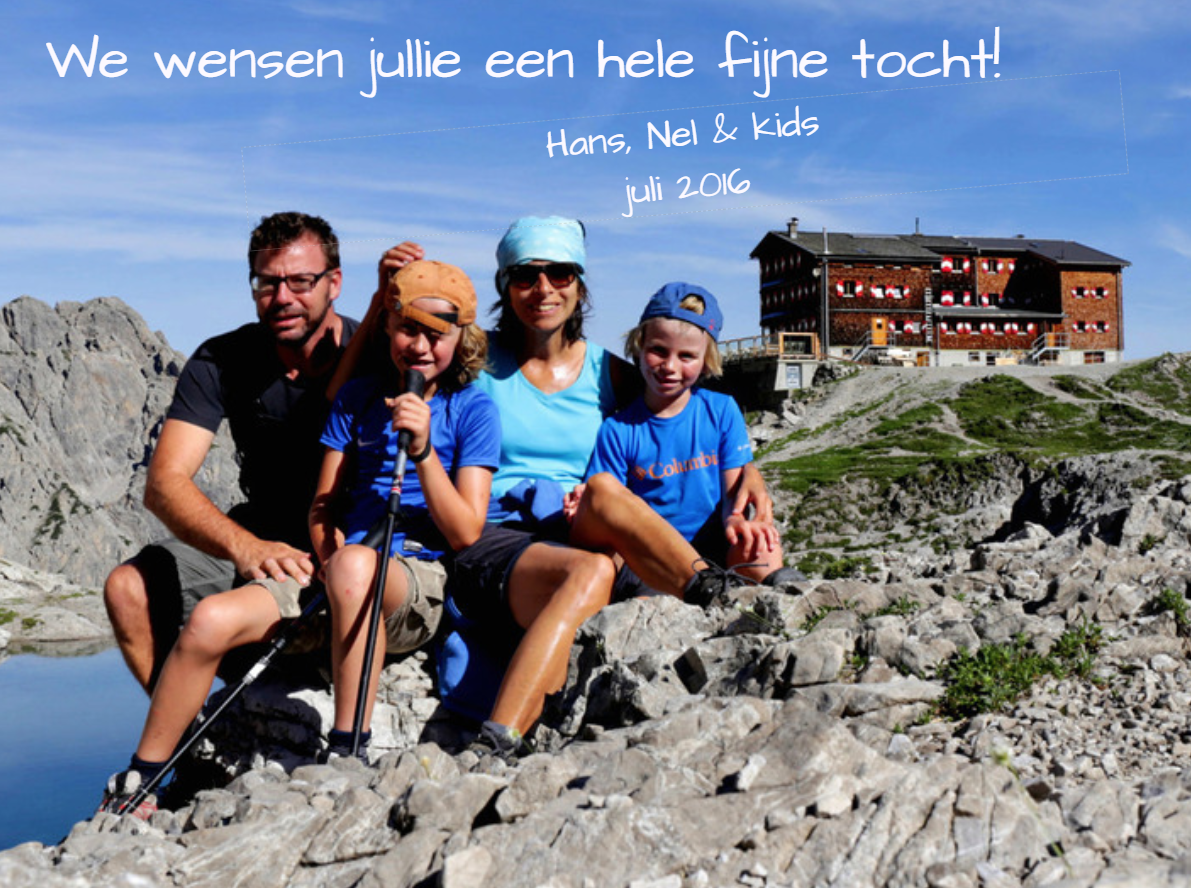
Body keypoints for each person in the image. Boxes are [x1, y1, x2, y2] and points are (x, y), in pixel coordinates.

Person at [96, 212, 421, 816]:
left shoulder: (378, 354)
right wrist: (245, 548)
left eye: (301, 281)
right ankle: (193, 741)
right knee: (127, 589)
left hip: (344, 549)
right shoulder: (224, 359)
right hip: (260, 539)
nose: (283, 297)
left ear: (335, 283)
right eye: (267, 283)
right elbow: (164, 485)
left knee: (222, 613)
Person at [443, 216, 783, 759]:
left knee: (598, 540)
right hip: (500, 538)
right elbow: (384, 375)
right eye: (525, 275)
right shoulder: (476, 364)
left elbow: (669, 414)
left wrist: (750, 472)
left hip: (578, 537)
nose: (543, 288)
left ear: (579, 285)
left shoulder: (611, 373)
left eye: (560, 273)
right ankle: (715, 593)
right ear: (505, 285)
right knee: (596, 540)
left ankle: (498, 741)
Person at [308, 260, 499, 763]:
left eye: (437, 335)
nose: (419, 346)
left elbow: (465, 531)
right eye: (407, 329)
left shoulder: (473, 408)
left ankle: (348, 746)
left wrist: (423, 451)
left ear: (461, 339)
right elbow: (323, 505)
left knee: (355, 567)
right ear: (386, 327)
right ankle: (144, 778)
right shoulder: (356, 398)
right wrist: (329, 560)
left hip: (417, 575)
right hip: (343, 568)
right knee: (213, 619)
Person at [586, 282, 794, 585]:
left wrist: (736, 520)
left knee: (762, 541)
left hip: (717, 548)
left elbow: (732, 495)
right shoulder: (617, 431)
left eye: (687, 356)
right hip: (654, 559)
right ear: (639, 347)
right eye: (658, 351)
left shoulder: (721, 410)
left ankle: (786, 588)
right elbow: (610, 508)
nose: (670, 366)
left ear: (706, 360)